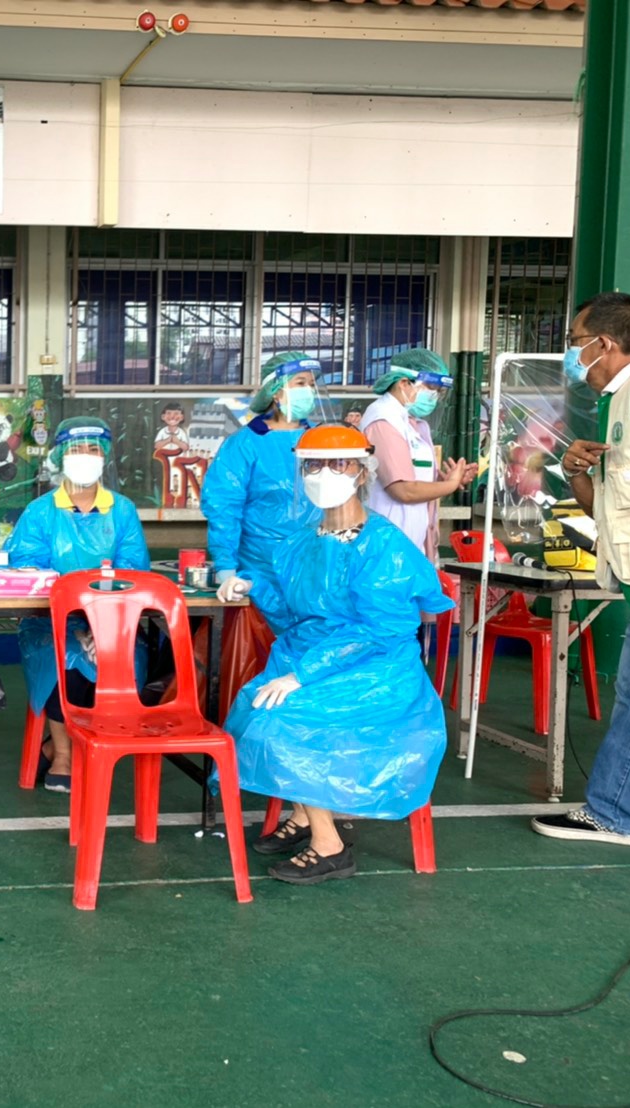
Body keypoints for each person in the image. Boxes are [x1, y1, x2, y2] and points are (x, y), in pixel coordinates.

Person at [218, 425, 453, 884]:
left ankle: (330, 846)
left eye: (338, 463)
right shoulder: (302, 542)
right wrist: (253, 585)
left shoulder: (383, 545)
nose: (323, 474)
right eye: (313, 465)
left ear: (362, 472)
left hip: (379, 673)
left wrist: (302, 675)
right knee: (255, 706)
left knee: (282, 724)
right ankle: (307, 814)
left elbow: (379, 630)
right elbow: (294, 614)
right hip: (316, 660)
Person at [532, 291, 630, 847]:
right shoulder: (615, 403)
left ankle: (614, 811)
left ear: (604, 343)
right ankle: (614, 811)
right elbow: (605, 506)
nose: (570, 354)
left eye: (574, 342)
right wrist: (576, 472)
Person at [5, 419, 150, 792]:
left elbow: (133, 570)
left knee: (115, 658)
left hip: (114, 619)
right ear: (59, 456)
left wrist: (100, 624)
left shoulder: (122, 510)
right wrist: (76, 618)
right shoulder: (40, 512)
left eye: (93, 449)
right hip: (48, 621)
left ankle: (61, 744)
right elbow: (27, 567)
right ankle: (65, 754)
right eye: (76, 449)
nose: (85, 457)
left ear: (105, 457)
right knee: (65, 657)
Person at [200, 352, 326, 708]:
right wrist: (226, 568)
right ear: (276, 390)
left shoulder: (320, 441)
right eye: (300, 383)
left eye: (311, 385)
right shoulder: (245, 443)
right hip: (259, 573)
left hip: (315, 571)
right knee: (258, 662)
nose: (308, 391)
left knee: (311, 662)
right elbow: (224, 507)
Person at [360, 349, 475, 561]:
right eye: (431, 388)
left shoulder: (413, 424)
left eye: (439, 391)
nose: (435, 397)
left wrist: (446, 480)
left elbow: (415, 480)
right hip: (388, 547)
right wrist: (450, 486)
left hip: (411, 543)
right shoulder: (383, 421)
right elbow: (403, 490)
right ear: (404, 383)